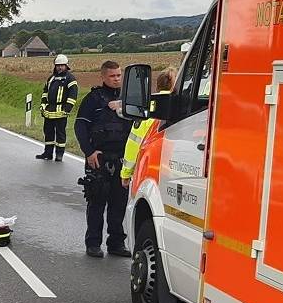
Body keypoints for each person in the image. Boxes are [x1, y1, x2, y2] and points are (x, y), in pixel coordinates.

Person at [74, 60, 135, 258]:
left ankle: (116, 243)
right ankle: (93, 243)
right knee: (97, 201)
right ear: (103, 76)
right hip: (99, 158)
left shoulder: (129, 99)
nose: (116, 79)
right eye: (112, 76)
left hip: (122, 159)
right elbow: (80, 126)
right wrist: (89, 152)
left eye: (119, 75)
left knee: (119, 203)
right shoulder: (93, 99)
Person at [121, 69, 177, 188]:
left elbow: (133, 145)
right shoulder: (186, 107)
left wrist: (126, 174)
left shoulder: (147, 110)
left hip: (149, 174)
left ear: (157, 86)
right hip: (177, 173)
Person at [35, 54, 78, 161]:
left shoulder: (70, 79)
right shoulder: (51, 78)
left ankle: (59, 154)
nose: (60, 67)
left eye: (62, 65)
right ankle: (48, 153)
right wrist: (43, 105)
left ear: (66, 66)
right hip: (49, 111)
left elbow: (73, 95)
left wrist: (67, 109)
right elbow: (45, 92)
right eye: (58, 65)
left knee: (60, 134)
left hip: (61, 111)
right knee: (48, 132)